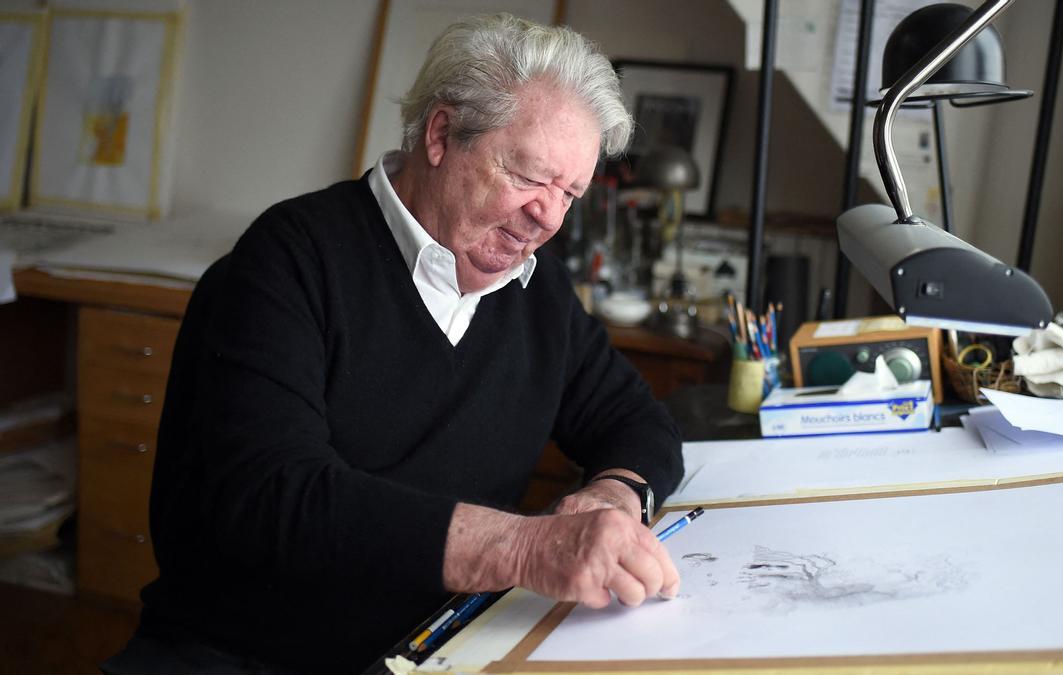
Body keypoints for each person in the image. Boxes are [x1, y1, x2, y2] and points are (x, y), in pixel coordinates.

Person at [103, 13, 684, 675]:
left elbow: (640, 423)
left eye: (569, 192)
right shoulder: (289, 260)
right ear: (441, 134)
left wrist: (613, 498)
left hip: (438, 646)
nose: (548, 217)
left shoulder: (537, 290)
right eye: (529, 177)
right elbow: (274, 494)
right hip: (249, 653)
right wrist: (524, 548)